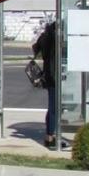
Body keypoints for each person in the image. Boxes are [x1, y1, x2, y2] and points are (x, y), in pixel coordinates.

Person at [33, 20, 61, 148]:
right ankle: (50, 136)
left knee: (52, 107)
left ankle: (49, 134)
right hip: (56, 75)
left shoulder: (44, 37)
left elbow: (35, 48)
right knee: (55, 108)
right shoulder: (56, 39)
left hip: (49, 75)